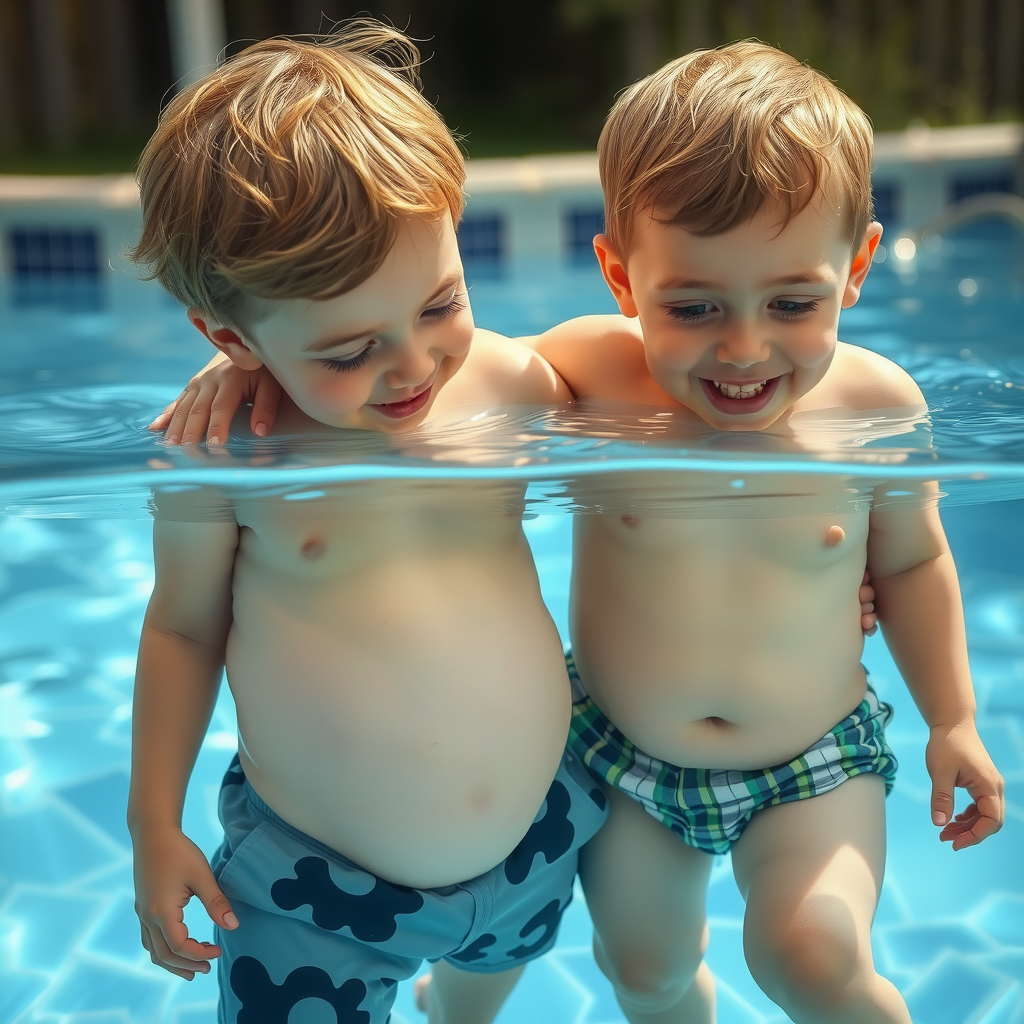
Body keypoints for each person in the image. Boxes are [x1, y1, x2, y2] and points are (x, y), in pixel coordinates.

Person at [126, 24, 610, 1024]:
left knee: (485, 989)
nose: (412, 366)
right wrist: (150, 823)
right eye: (347, 351)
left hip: (541, 833)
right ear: (231, 336)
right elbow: (182, 627)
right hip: (319, 895)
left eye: (439, 303)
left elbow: (697, 412)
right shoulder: (227, 456)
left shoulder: (518, 383)